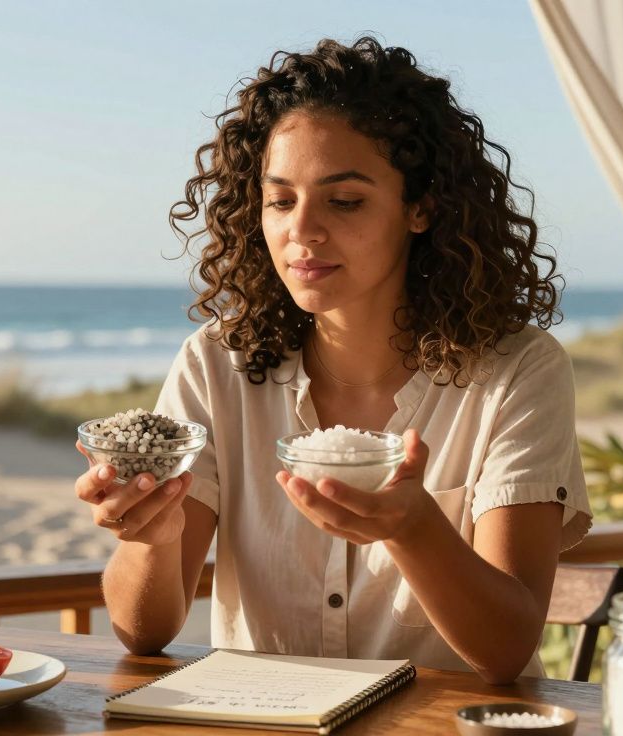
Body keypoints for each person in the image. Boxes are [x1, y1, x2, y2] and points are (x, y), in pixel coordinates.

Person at [74, 37, 591, 684]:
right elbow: (144, 632)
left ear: (421, 207)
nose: (303, 230)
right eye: (281, 199)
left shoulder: (518, 372)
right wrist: (149, 534)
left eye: (344, 201)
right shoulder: (216, 365)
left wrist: (415, 529)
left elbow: (508, 648)